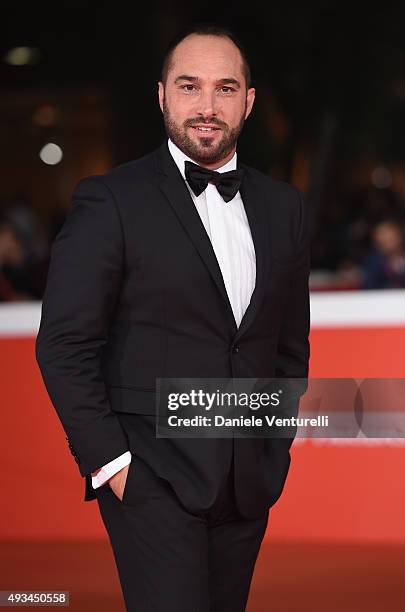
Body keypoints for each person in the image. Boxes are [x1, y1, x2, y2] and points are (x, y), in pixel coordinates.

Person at [35, 24, 310, 612]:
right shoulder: (110, 200)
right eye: (190, 87)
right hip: (150, 479)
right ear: (162, 95)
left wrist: (273, 447)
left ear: (249, 100)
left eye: (225, 89)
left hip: (247, 479)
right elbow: (64, 344)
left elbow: (288, 348)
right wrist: (113, 466)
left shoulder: (284, 208)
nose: (207, 107)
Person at [362, 219, 405, 289]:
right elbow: (369, 286)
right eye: (382, 235)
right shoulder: (374, 262)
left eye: (391, 236)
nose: (387, 238)